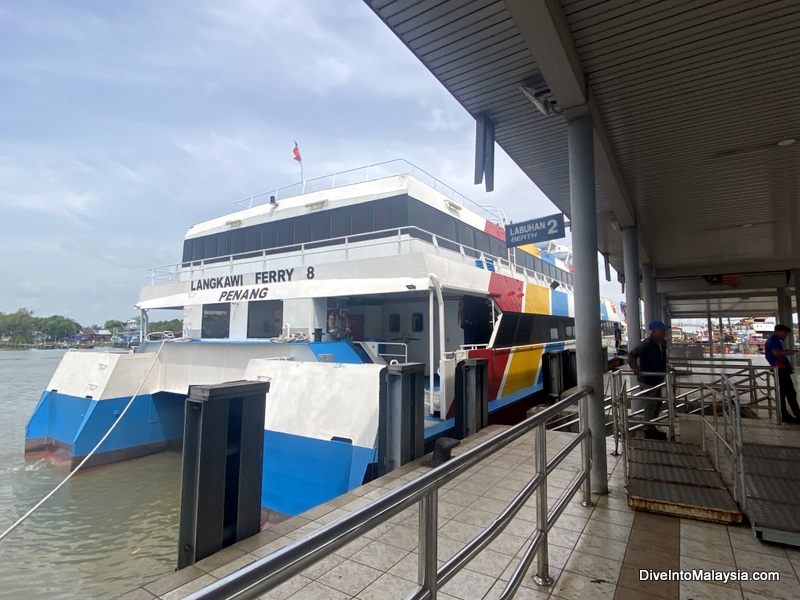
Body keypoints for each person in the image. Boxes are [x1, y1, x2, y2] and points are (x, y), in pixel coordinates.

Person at [627, 321, 669, 440]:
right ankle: (648, 429)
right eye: (661, 331)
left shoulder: (662, 344)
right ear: (654, 332)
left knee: (658, 404)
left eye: (664, 331)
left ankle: (652, 426)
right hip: (648, 380)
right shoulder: (647, 343)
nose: (664, 333)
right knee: (650, 405)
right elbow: (631, 355)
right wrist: (635, 366)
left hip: (658, 380)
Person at [765, 324, 800, 424]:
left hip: (779, 368)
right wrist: (786, 353)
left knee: (784, 393)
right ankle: (797, 414)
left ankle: (785, 415)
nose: (786, 335)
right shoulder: (774, 340)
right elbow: (775, 353)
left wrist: (784, 352)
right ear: (779, 331)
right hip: (780, 369)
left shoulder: (772, 340)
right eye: (785, 333)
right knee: (791, 393)